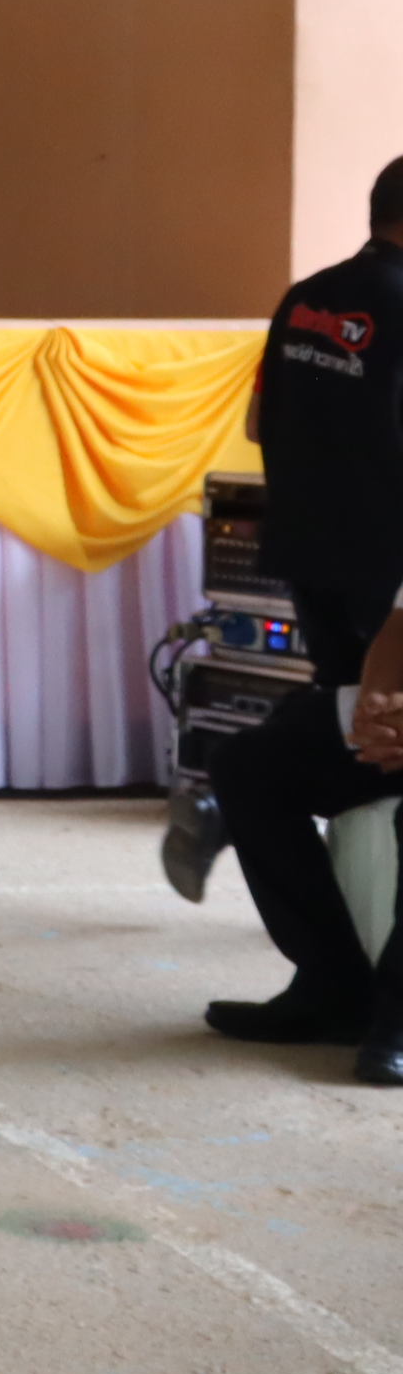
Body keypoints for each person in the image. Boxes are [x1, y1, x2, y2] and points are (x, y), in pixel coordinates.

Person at [204, 154, 403, 1086]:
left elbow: (258, 425)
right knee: (347, 759)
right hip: (386, 598)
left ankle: (362, 995)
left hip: (326, 585)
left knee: (331, 758)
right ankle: (344, 989)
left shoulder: (307, 300)